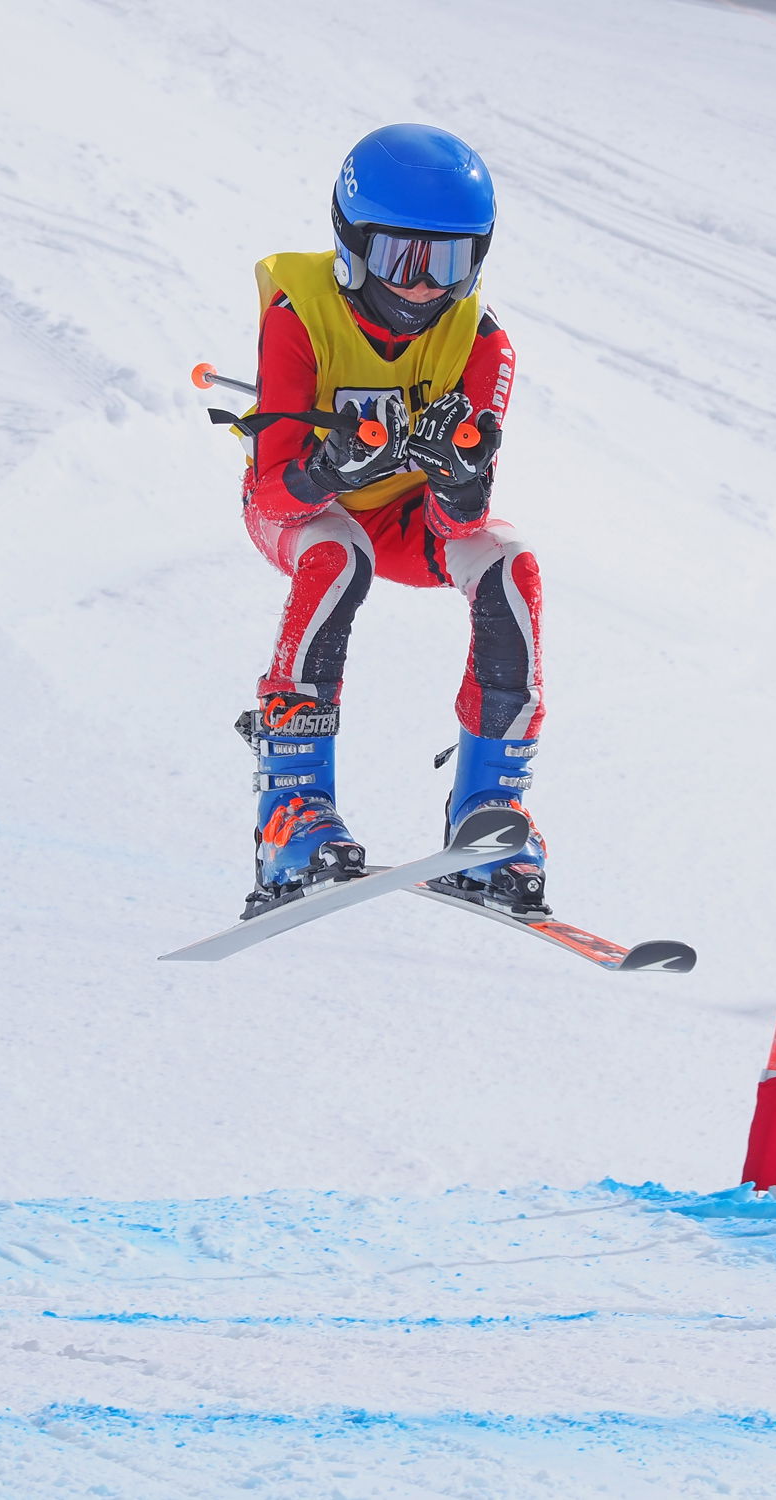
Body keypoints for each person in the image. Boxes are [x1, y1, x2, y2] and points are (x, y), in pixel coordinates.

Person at [233, 123, 546, 922]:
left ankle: (489, 813)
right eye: (404, 259)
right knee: (339, 556)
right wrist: (327, 473)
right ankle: (290, 811)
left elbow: (457, 519)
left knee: (508, 561)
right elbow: (272, 494)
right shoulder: (301, 314)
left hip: (405, 520)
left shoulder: (482, 341)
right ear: (353, 243)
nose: (422, 288)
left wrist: (459, 481)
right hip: (310, 516)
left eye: (450, 263)